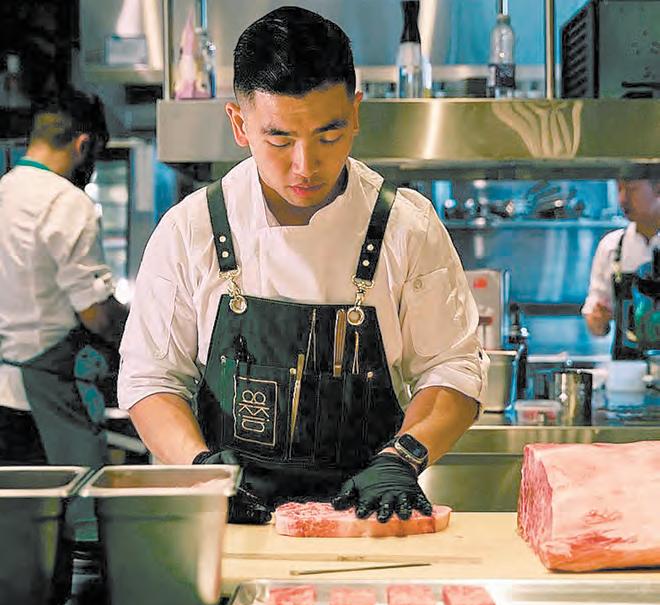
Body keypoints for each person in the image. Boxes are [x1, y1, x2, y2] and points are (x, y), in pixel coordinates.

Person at [118, 6, 488, 524]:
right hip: (226, 527)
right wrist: (203, 470)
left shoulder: (408, 226)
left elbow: (454, 366)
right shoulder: (190, 229)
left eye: (328, 136)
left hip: (368, 521)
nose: (305, 165)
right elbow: (150, 379)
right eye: (279, 139)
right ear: (239, 123)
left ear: (356, 113)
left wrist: (403, 459)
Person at [0, 89, 129, 467]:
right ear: (83, 145)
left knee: (19, 502)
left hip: (5, 392)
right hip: (49, 394)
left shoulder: (4, 191)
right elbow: (97, 315)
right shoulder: (67, 202)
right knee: (76, 495)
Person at [583, 179, 659, 359]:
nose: (622, 199)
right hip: (627, 369)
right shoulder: (612, 245)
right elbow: (596, 327)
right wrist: (598, 318)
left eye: (632, 189)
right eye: (619, 189)